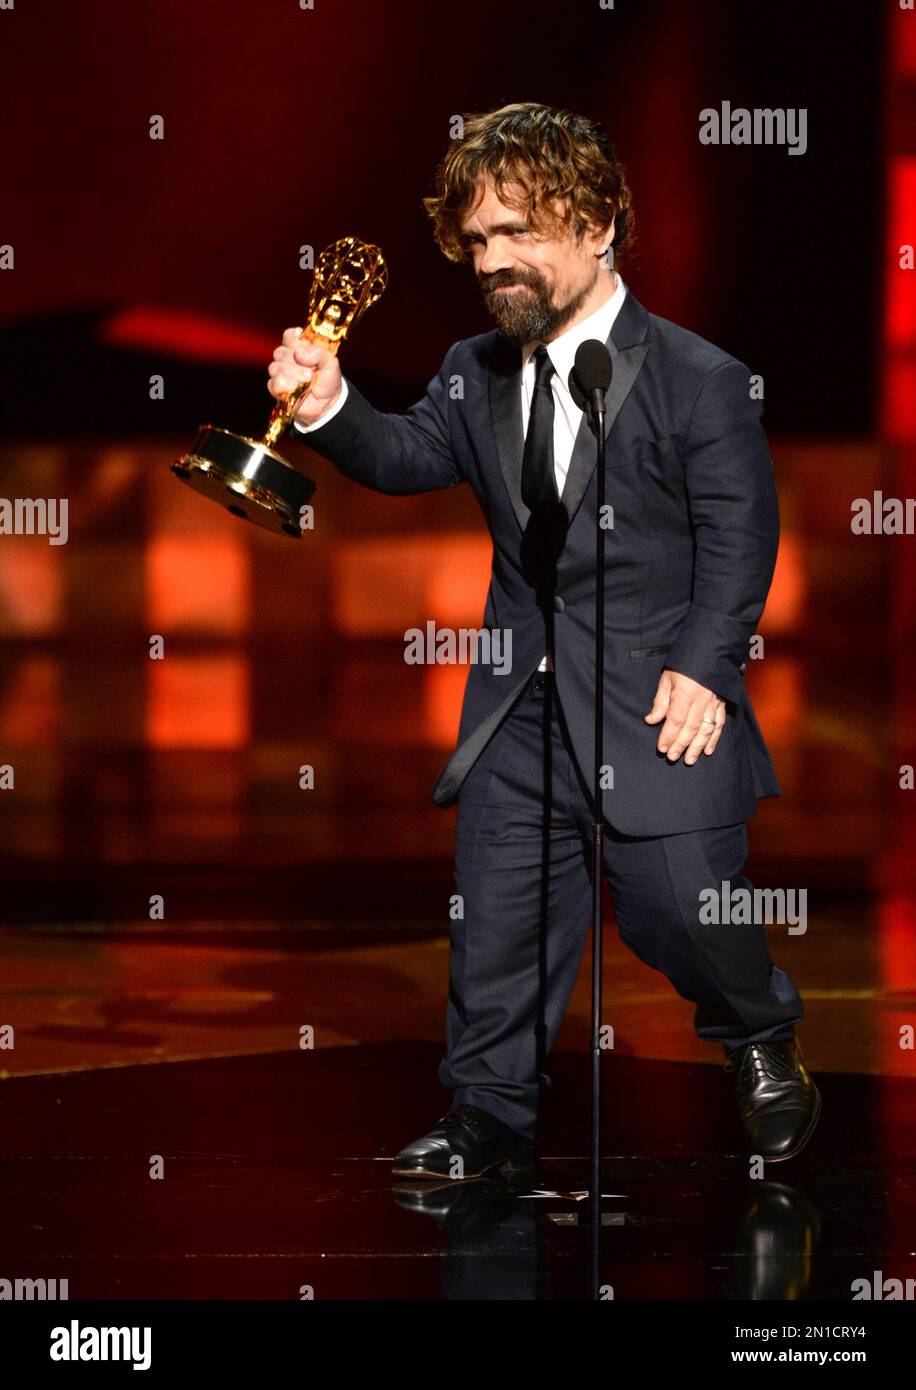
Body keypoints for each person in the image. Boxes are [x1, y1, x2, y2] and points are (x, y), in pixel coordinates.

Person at [267, 102, 821, 1179]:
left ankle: (759, 1035)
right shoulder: (476, 371)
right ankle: (487, 1118)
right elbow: (402, 454)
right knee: (499, 929)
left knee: (683, 918)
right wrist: (333, 404)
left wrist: (706, 666)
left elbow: (740, 534)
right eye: (478, 240)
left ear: (601, 223)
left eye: (522, 232)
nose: (495, 262)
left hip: (658, 700)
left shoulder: (697, 379)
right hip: (519, 708)